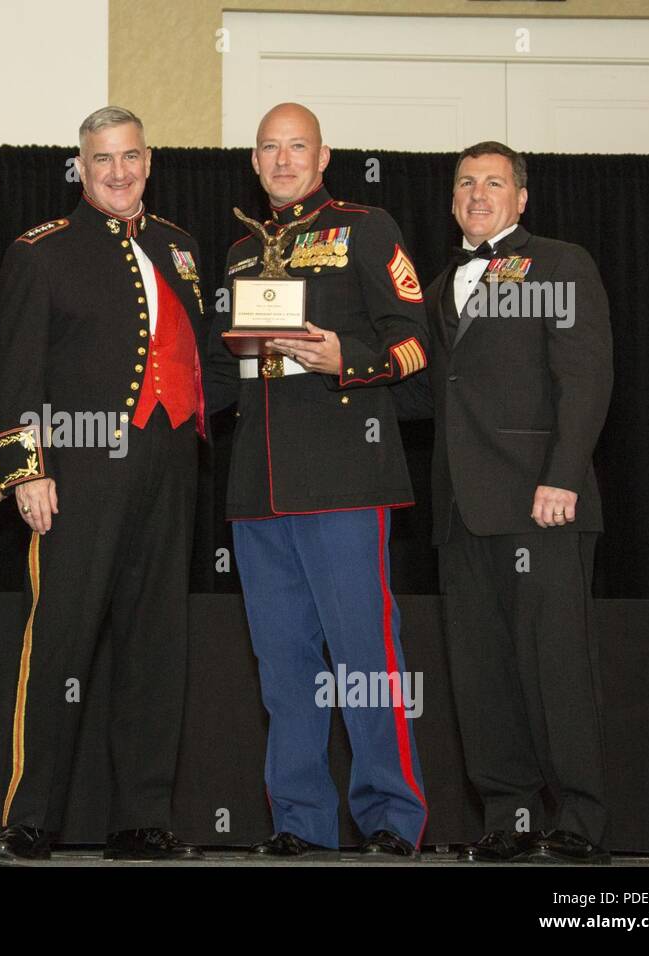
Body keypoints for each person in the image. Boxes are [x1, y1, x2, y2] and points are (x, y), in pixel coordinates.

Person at [0, 107, 207, 864]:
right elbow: (14, 371)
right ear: (79, 167)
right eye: (102, 160)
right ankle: (31, 815)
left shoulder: (180, 248)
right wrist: (24, 467)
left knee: (156, 646)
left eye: (130, 157)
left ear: (150, 161)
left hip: (169, 472)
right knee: (60, 644)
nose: (118, 172)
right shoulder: (41, 252)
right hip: (76, 476)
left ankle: (140, 817)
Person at [206, 103, 429, 859]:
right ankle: (300, 822)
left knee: (366, 660)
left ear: (323, 154)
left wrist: (350, 362)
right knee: (284, 669)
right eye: (269, 148)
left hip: (343, 482)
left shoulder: (367, 226)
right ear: (254, 162)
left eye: (296, 145)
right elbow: (222, 369)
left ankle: (392, 819)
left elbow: (416, 345)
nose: (282, 159)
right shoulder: (238, 253)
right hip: (258, 492)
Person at [397, 141, 613, 864]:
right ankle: (508, 815)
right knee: (482, 674)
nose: (478, 193)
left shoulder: (559, 263)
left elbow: (585, 378)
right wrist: (337, 366)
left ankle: (580, 819)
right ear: (452, 199)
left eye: (494, 182)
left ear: (521, 198)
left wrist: (562, 476)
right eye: (465, 182)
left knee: (554, 667)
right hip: (462, 509)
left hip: (540, 503)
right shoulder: (437, 285)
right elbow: (434, 393)